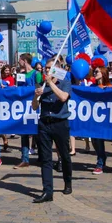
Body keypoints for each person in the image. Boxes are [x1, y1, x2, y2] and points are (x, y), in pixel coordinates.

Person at [32, 58, 72, 203]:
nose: (46, 70)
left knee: (64, 155)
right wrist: (37, 96)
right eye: (46, 68)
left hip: (60, 123)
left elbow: (63, 97)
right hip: (44, 123)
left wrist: (50, 83)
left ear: (58, 70)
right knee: (46, 158)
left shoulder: (65, 83)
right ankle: (47, 191)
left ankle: (68, 181)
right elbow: (34, 107)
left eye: (50, 68)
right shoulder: (41, 85)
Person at [15, 53, 43, 170]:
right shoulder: (21, 75)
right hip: (24, 108)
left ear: (24, 61)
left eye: (20, 60)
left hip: (35, 106)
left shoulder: (36, 74)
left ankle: (42, 157)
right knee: (24, 133)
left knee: (39, 133)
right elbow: (18, 90)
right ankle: (25, 159)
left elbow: (39, 89)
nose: (18, 62)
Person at [90, 67, 112, 175]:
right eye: (94, 72)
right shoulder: (92, 87)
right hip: (95, 118)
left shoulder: (110, 87)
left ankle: (100, 163)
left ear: (103, 73)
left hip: (106, 118)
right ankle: (101, 157)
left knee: (99, 140)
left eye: (97, 72)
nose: (94, 73)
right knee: (95, 141)